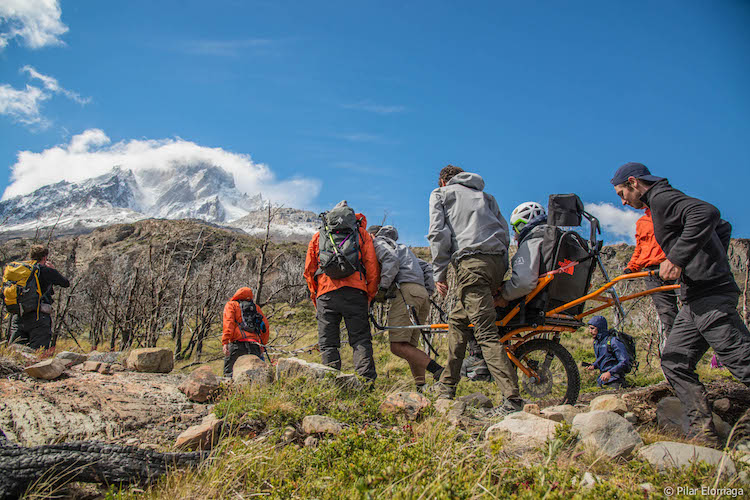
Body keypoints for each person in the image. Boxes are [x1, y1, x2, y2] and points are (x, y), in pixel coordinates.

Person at [612, 161, 750, 445]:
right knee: (674, 361)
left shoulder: (661, 198)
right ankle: (702, 433)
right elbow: (723, 228)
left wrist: (678, 259)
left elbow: (708, 213)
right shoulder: (659, 202)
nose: (623, 201)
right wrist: (706, 261)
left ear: (633, 182)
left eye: (621, 193)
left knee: (742, 361)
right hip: (694, 299)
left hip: (710, 296)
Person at [427, 165, 521, 414]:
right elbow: (505, 234)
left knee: (485, 333)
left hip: (471, 263)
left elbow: (438, 234)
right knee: (457, 321)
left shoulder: (441, 194)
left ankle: (512, 399)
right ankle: (446, 387)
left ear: (443, 180)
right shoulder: (486, 197)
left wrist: (440, 273)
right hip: (496, 263)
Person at [303, 201, 380, 381]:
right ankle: (366, 384)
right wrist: (369, 294)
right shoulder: (361, 234)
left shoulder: (319, 236)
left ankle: (331, 384)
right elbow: (372, 267)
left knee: (328, 343)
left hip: (326, 294)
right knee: (360, 339)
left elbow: (309, 270)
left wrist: (316, 298)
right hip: (355, 292)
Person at [368, 225, 444, 391]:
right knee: (409, 346)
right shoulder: (404, 249)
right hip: (421, 294)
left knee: (397, 346)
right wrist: (427, 290)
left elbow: (391, 261)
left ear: (373, 235)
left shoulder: (380, 242)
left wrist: (383, 288)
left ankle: (440, 372)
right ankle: (421, 387)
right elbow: (427, 267)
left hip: (406, 292)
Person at [623, 208, 679, 344]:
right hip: (652, 272)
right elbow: (640, 247)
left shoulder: (672, 215)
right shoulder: (641, 222)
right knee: (667, 313)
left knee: (691, 306)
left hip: (674, 266)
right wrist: (632, 267)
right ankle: (676, 349)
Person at [8, 245, 69, 350]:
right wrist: (53, 270)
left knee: (16, 353)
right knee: (38, 354)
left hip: (18, 315)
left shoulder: (20, 271)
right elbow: (65, 283)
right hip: (38, 317)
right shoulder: (45, 270)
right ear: (45, 257)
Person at [495, 201, 548, 305]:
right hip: (568, 306)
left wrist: (503, 295)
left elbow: (523, 282)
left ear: (523, 224)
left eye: (516, 228)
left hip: (534, 307)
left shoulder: (532, 241)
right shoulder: (563, 241)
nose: (515, 236)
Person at [222, 287, 269, 377]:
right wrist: (263, 344)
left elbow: (229, 324)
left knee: (229, 374)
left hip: (237, 345)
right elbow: (265, 327)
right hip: (254, 345)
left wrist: (225, 342)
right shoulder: (256, 308)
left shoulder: (231, 305)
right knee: (258, 375)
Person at [584, 316, 631, 389]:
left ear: (600, 328)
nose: (590, 331)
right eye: (589, 328)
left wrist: (610, 373)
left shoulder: (613, 341)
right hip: (601, 380)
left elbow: (624, 361)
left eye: (592, 328)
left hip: (615, 381)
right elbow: (604, 358)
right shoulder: (596, 342)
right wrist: (594, 365)